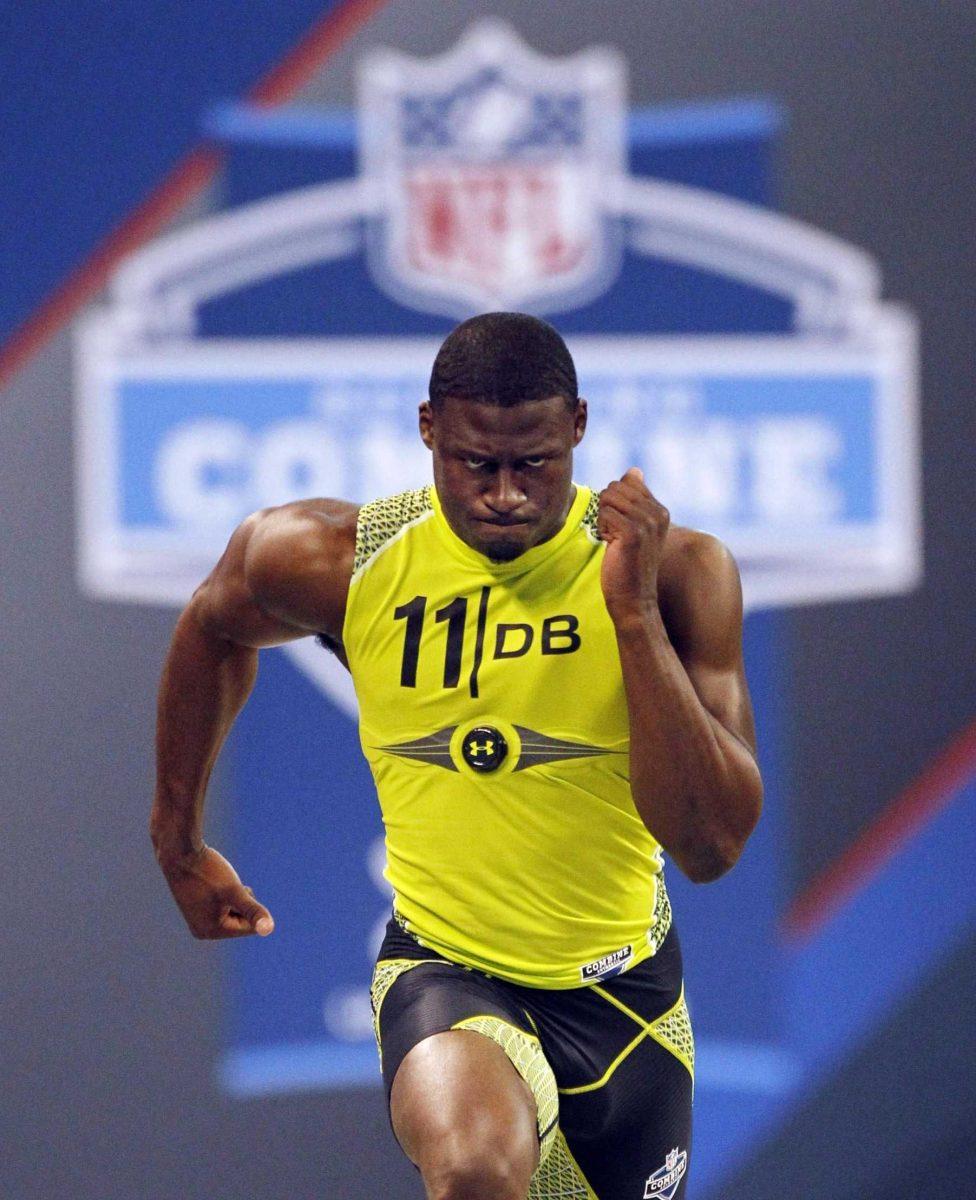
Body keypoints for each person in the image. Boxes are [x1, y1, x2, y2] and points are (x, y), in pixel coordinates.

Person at [151, 312, 762, 1200]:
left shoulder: (675, 576)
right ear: (428, 429)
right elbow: (214, 624)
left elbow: (712, 847)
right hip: (445, 967)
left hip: (627, 1003)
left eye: (535, 464)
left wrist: (630, 617)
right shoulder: (345, 560)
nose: (505, 493)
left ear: (579, 428)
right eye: (477, 464)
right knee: (475, 1169)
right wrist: (177, 843)